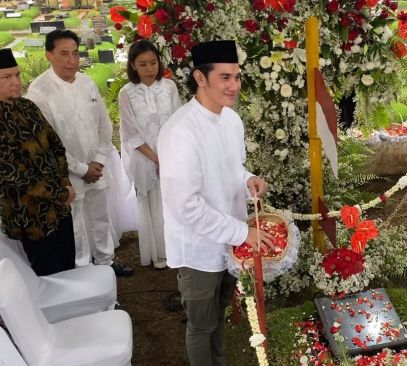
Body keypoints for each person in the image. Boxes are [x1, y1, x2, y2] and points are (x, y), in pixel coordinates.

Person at [157, 40, 274, 366]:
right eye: (225, 77)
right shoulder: (181, 130)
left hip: (230, 242)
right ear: (200, 77)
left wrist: (247, 178)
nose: (234, 85)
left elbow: (231, 168)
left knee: (219, 314)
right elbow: (186, 205)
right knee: (201, 325)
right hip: (199, 249)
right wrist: (242, 233)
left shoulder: (231, 120)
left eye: (236, 77)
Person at [25, 30, 133, 276]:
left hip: (97, 167)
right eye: (64, 54)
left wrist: (99, 160)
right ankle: (83, 269)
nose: (72, 60)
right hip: (67, 174)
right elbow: (48, 141)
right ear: (48, 55)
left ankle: (106, 262)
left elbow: (104, 125)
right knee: (76, 225)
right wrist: (82, 169)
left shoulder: (86, 82)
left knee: (101, 217)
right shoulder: (39, 91)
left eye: (75, 53)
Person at [0, 48, 76, 276]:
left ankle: (79, 310)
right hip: (29, 218)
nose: (15, 82)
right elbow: (15, 175)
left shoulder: (28, 107)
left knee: (68, 267)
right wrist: (60, 193)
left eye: (17, 74)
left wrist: (64, 184)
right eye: (7, 77)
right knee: (47, 277)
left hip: (59, 208)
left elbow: (56, 145)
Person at [119, 40, 182, 269]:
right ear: (133, 66)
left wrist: (169, 156)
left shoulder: (169, 87)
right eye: (143, 64)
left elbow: (177, 122)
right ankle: (158, 253)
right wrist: (155, 158)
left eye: (153, 62)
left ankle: (177, 249)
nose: (149, 69)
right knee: (152, 203)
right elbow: (130, 133)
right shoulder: (127, 93)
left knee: (173, 202)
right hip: (145, 157)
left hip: (171, 155)